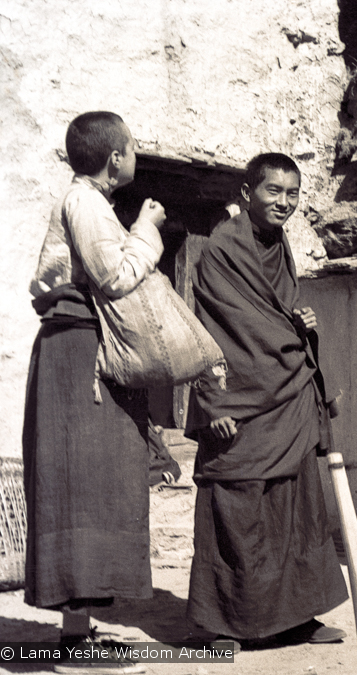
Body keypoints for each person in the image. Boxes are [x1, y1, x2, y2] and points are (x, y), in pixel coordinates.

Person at [23, 111, 166, 673]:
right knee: (83, 485)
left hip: (77, 348)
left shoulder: (85, 201)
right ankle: (74, 648)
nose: (136, 156)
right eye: (133, 148)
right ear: (115, 158)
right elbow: (115, 277)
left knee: (86, 483)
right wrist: (147, 228)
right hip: (81, 353)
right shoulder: (86, 203)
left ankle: (76, 633)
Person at [186, 153, 348, 647]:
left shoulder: (280, 244)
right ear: (246, 193)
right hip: (241, 397)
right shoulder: (220, 248)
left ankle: (297, 616)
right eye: (273, 191)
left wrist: (300, 324)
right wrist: (213, 401)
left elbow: (273, 314)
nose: (284, 202)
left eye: (293, 193)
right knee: (236, 509)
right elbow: (209, 328)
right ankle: (225, 622)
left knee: (296, 509)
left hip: (287, 391)